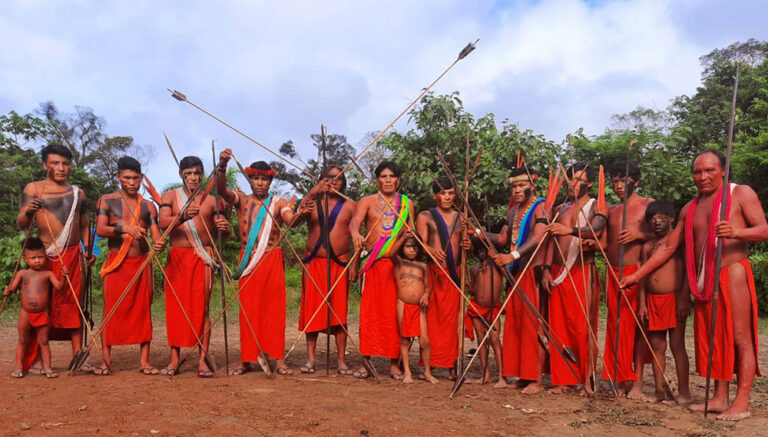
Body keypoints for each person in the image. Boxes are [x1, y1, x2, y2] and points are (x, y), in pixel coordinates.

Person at [622, 149, 768, 421]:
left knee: (739, 338)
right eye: (697, 172)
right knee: (715, 339)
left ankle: (742, 401)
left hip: (732, 272)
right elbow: (667, 248)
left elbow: (763, 229)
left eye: (709, 170)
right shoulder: (691, 207)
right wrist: (636, 275)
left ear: (723, 171)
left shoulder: (740, 193)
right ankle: (719, 396)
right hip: (705, 280)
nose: (703, 176)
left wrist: (736, 232)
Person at [217, 150, 298, 375]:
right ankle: (247, 359)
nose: (260, 183)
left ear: (270, 181)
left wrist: (300, 213)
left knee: (275, 309)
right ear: (250, 180)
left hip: (272, 257)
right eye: (256, 178)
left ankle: (279, 359)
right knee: (248, 310)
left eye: (265, 179)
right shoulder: (241, 199)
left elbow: (290, 218)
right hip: (248, 258)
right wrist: (222, 164)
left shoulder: (279, 202)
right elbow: (221, 190)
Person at [16, 143, 93, 373]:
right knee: (42, 306)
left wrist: (88, 249)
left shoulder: (78, 193)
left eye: (66, 163)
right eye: (55, 163)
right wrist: (30, 210)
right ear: (44, 165)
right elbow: (22, 223)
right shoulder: (34, 189)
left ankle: (78, 357)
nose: (61, 168)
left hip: (71, 255)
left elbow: (84, 222)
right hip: (44, 256)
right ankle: (39, 359)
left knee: (74, 304)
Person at [158, 156, 230, 377]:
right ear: (181, 174)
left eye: (198, 172)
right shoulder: (169, 196)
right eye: (188, 173)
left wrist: (224, 228)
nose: (193, 177)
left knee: (203, 308)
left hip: (202, 257)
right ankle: (174, 359)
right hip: (177, 258)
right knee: (175, 308)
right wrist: (181, 216)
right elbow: (162, 223)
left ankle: (203, 359)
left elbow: (223, 237)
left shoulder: (211, 200)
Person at [95, 156, 165, 375]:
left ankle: (144, 361)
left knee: (143, 310)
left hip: (141, 263)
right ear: (118, 178)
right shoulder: (107, 200)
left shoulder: (149, 206)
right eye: (127, 178)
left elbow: (155, 235)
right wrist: (125, 229)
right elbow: (100, 230)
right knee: (111, 310)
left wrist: (160, 244)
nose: (132, 182)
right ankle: (106, 360)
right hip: (117, 263)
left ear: (141, 178)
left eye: (136, 178)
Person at [544, 163, 606, 394]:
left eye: (578, 179)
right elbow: (550, 239)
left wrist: (569, 231)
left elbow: (597, 228)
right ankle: (563, 379)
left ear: (589, 183)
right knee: (558, 327)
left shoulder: (595, 206)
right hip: (559, 272)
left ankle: (587, 379)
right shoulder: (560, 208)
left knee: (583, 327)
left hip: (582, 271)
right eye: (570, 179)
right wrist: (547, 269)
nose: (573, 183)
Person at [350, 161, 414, 379]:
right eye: (383, 176)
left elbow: (410, 234)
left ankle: (394, 363)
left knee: (395, 315)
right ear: (377, 179)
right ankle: (365, 360)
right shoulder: (367, 201)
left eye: (392, 176)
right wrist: (356, 235)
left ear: (398, 179)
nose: (388, 180)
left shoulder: (406, 204)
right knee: (369, 314)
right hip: (373, 264)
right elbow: (354, 222)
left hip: (396, 266)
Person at [489, 167, 548, 393]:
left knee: (533, 326)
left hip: (532, 273)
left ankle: (536, 380)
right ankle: (523, 376)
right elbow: (504, 239)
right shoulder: (513, 211)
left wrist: (512, 256)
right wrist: (476, 232)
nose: (517, 190)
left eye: (521, 185)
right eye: (513, 186)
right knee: (517, 327)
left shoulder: (539, 207)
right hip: (515, 275)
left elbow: (539, 236)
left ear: (532, 185)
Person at [600, 161, 654, 396]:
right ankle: (620, 377)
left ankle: (638, 381)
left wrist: (639, 234)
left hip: (637, 272)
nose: (619, 186)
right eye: (615, 182)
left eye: (624, 181)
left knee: (636, 326)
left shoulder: (647, 205)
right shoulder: (610, 210)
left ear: (637, 181)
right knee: (615, 325)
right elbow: (603, 242)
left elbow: (664, 234)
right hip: (613, 272)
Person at [297, 167, 357, 375]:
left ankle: (341, 360)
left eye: (339, 179)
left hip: (339, 263)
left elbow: (356, 237)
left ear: (344, 183)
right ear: (323, 179)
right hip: (314, 263)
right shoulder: (313, 202)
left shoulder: (350, 206)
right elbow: (297, 216)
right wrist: (314, 190)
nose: (334, 182)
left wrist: (354, 266)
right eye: (330, 178)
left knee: (339, 313)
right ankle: (311, 359)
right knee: (312, 311)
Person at [635, 200, 692, 404]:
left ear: (672, 219)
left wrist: (684, 297)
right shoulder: (648, 246)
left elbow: (687, 272)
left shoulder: (678, 243)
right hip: (653, 300)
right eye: (652, 219)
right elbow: (642, 276)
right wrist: (642, 304)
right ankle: (659, 390)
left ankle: (684, 392)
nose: (656, 222)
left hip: (674, 298)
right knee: (657, 344)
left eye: (661, 218)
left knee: (677, 345)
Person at [415, 176, 470, 379]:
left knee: (451, 322)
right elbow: (419, 243)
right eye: (442, 193)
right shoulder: (426, 216)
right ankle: (429, 365)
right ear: (434, 195)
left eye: (450, 193)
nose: (447, 197)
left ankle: (452, 365)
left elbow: (465, 247)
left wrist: (468, 245)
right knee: (431, 320)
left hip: (454, 274)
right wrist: (430, 249)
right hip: (433, 273)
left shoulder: (461, 217)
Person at [4, 237, 68, 378]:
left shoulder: (48, 274)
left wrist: (63, 276)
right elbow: (12, 289)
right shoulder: (22, 273)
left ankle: (48, 368)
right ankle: (19, 368)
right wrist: (8, 291)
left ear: (45, 257)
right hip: (25, 313)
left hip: (42, 313)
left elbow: (59, 287)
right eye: (33, 258)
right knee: (22, 340)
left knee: (44, 341)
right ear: (26, 259)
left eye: (40, 257)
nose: (37, 260)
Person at [391, 232, 437, 384]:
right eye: (408, 247)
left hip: (419, 307)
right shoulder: (399, 262)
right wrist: (403, 237)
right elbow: (389, 252)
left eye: (415, 247)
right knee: (404, 340)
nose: (412, 250)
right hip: (403, 305)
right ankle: (407, 373)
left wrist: (426, 294)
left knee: (425, 341)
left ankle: (428, 373)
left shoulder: (423, 266)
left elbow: (428, 286)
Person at [465, 240, 504, 387]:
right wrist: (469, 289)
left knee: (494, 340)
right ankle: (485, 375)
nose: (481, 253)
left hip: (492, 309)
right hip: (477, 308)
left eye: (484, 249)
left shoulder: (498, 265)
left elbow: (506, 272)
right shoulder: (474, 269)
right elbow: (475, 289)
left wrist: (496, 258)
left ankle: (501, 376)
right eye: (478, 249)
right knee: (481, 341)